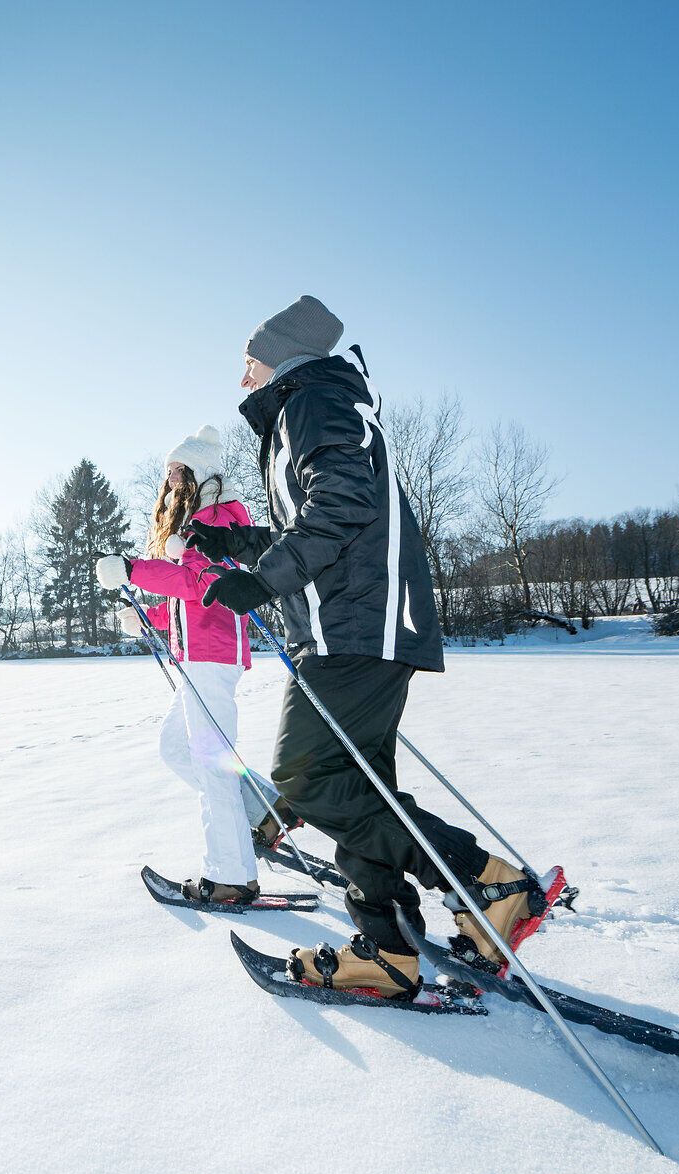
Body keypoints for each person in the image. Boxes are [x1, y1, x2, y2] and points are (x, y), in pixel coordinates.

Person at [186, 295, 552, 998]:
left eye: (248, 364)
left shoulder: (311, 399)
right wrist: (238, 546)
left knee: (306, 780)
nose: (243, 382)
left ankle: (486, 883)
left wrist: (264, 580)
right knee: (358, 789)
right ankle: (388, 947)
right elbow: (320, 519)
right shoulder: (320, 404)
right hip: (361, 623)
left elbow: (341, 507)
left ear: (280, 357)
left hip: (354, 629)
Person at [94, 427, 260, 905]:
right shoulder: (190, 523)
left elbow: (195, 582)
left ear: (200, 471)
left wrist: (131, 569)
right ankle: (259, 812)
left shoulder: (221, 516)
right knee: (175, 748)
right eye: (166, 472)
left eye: (177, 470)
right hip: (194, 655)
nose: (169, 480)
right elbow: (182, 603)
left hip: (213, 652)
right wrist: (146, 617)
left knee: (211, 765)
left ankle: (229, 874)